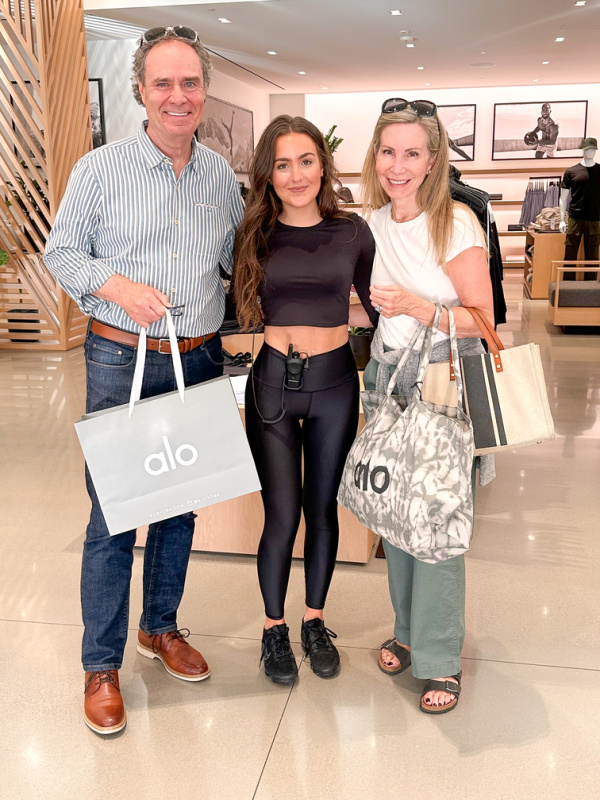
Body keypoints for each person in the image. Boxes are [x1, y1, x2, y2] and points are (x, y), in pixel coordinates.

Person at [43, 26, 244, 735]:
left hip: (198, 355)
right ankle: (101, 663)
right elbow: (60, 251)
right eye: (164, 83)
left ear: (205, 90)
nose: (178, 96)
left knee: (182, 504)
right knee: (115, 513)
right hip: (120, 356)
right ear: (140, 90)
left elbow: (236, 265)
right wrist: (117, 286)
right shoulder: (100, 170)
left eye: (190, 82)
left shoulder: (221, 176)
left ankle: (160, 627)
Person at [361, 97, 495, 714]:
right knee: (396, 515)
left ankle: (441, 659)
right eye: (389, 151)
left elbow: (485, 324)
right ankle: (408, 633)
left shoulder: (457, 225)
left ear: (434, 160)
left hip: (443, 384)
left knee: (437, 526)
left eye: (412, 152)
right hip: (389, 383)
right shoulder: (374, 222)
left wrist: (419, 307)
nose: (398, 164)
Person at [233, 115, 377, 685]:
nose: (296, 175)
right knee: (281, 515)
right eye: (283, 164)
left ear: (324, 165)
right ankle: (274, 629)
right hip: (271, 383)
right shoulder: (252, 234)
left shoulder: (353, 232)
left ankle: (314, 620)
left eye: (307, 161)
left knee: (321, 511)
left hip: (336, 384)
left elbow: (379, 305)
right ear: (268, 173)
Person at [559, 136, 600, 279]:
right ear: (583, 149)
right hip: (574, 218)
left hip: (595, 219)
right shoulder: (571, 172)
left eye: (593, 149)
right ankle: (568, 288)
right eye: (588, 149)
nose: (590, 152)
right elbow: (563, 198)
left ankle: (590, 292)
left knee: (593, 257)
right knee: (570, 255)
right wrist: (562, 220)